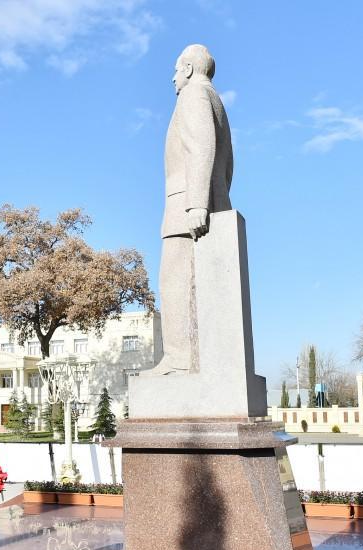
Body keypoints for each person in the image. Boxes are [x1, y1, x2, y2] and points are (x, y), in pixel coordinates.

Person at [151, 44, 233, 375]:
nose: (172, 78)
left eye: (175, 70)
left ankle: (179, 358)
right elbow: (228, 164)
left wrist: (198, 203)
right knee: (199, 287)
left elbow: (202, 146)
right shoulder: (215, 99)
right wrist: (217, 196)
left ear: (187, 68)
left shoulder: (193, 95)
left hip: (187, 207)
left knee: (173, 280)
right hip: (207, 202)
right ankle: (193, 357)